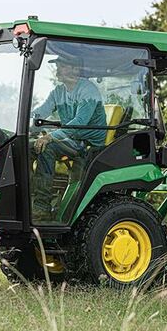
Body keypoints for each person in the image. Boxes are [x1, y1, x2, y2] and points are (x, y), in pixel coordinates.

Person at [30, 55, 107, 221]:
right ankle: (25, 197)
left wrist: (49, 137)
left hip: (87, 144)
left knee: (46, 147)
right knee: (25, 145)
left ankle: (41, 206)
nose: (58, 69)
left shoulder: (88, 91)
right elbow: (41, 113)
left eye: (62, 66)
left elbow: (79, 123)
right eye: (58, 65)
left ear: (75, 69)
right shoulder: (58, 92)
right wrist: (21, 122)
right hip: (71, 140)